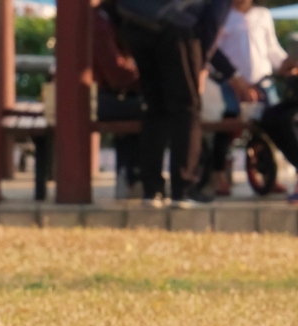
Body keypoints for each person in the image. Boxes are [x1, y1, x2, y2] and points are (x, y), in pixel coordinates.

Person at [119, 0, 233, 206]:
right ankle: (183, 189)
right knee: (187, 109)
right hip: (178, 28)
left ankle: (151, 189)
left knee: (155, 108)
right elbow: (213, 21)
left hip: (137, 22)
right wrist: (201, 63)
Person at [208, 0, 298, 199]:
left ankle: (269, 174)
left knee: (275, 124)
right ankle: (219, 173)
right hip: (232, 83)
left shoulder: (262, 15)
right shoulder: (221, 14)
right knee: (229, 124)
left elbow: (271, 48)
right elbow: (214, 50)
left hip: (262, 81)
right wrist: (236, 80)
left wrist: (285, 63)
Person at [93, 0, 142, 198]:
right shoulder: (100, 25)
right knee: (150, 110)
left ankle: (128, 176)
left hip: (102, 97)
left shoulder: (101, 20)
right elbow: (117, 74)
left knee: (137, 110)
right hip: (98, 100)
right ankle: (133, 177)